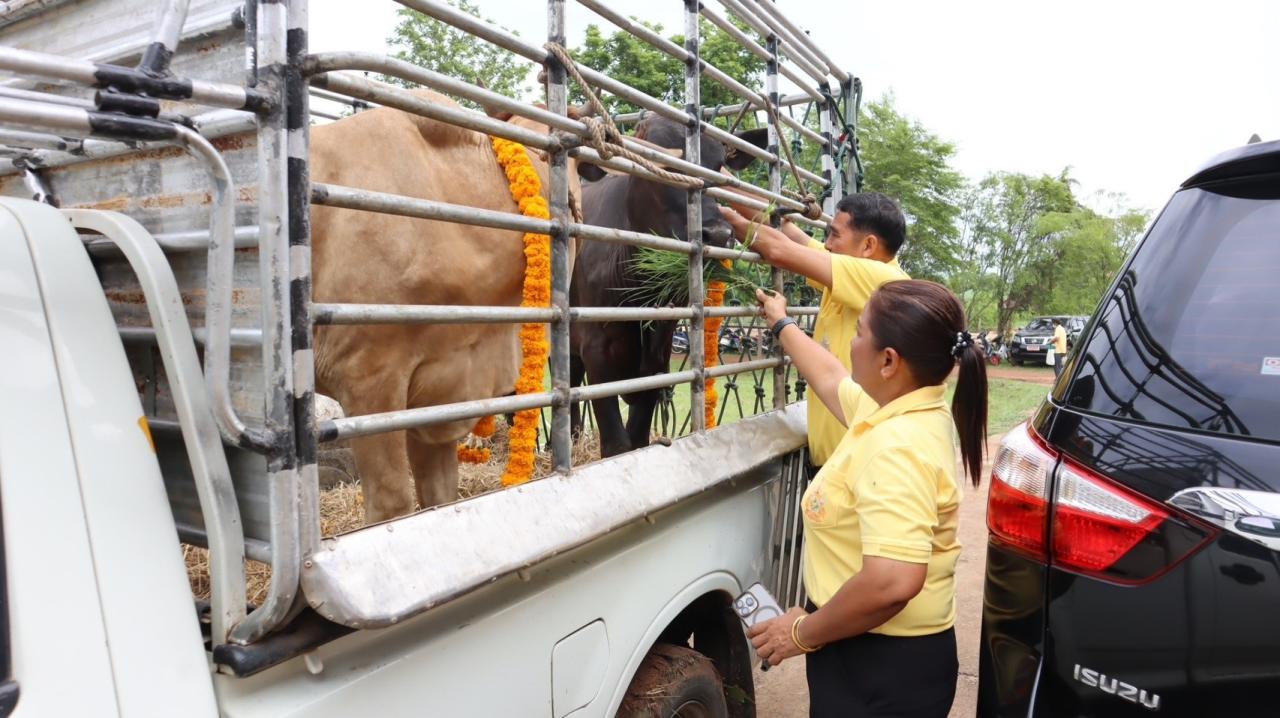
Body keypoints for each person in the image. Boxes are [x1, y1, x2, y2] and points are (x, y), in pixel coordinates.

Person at [749, 280, 989, 718]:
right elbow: (829, 376)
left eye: (859, 332)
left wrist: (801, 632)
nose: (851, 343)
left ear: (889, 361)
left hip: (881, 667)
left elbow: (891, 582)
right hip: (869, 646)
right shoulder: (899, 406)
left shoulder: (897, 446)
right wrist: (782, 322)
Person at [720, 193, 908, 474]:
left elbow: (778, 248)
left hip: (859, 468)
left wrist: (719, 211)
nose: (827, 245)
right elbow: (785, 230)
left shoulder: (884, 282)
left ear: (868, 246)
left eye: (834, 236)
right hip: (837, 463)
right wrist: (723, 183)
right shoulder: (847, 270)